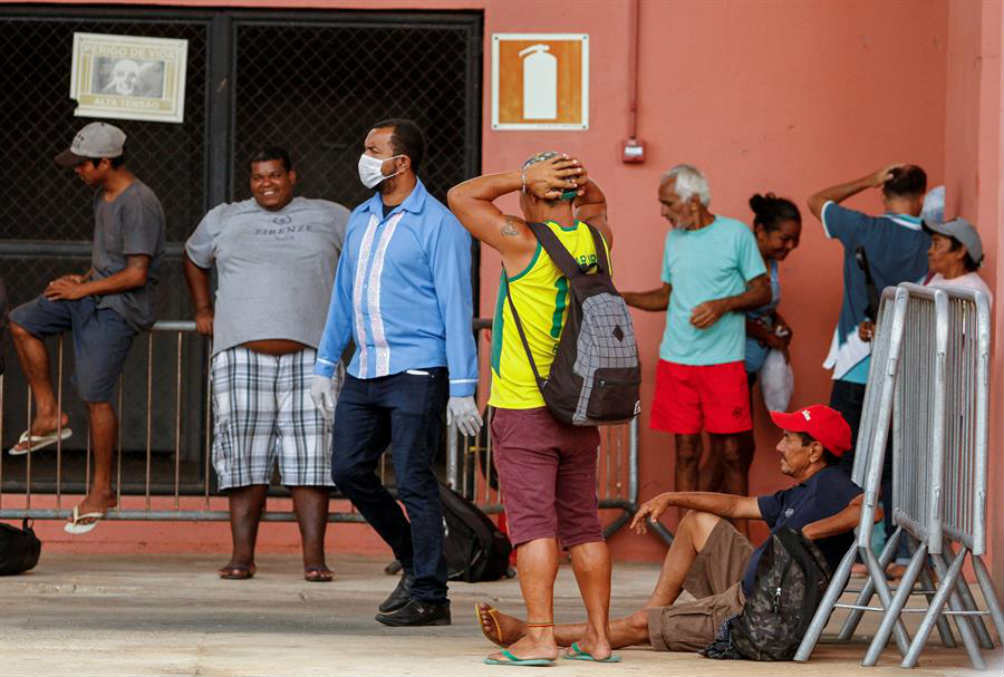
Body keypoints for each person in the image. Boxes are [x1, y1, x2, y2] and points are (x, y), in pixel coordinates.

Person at [476, 404, 864, 654]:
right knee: (697, 523)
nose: (779, 446)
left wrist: (810, 534)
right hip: (759, 583)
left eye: (788, 439)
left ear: (815, 451)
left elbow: (868, 512)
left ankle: (533, 631)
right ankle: (654, 612)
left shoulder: (831, 483)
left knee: (639, 628)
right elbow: (733, 505)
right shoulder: (802, 489)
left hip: (757, 615)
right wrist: (674, 497)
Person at [448, 152, 617, 665]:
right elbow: (599, 201)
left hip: (526, 407)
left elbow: (460, 196)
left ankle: (541, 636)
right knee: (584, 525)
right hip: (581, 407)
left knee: (534, 527)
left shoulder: (522, 242)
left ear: (534, 194)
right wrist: (572, 183)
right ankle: (598, 636)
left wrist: (523, 177)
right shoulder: (597, 242)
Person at [313, 119, 480, 626]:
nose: (363, 158)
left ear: (400, 162)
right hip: (365, 369)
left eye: (372, 150)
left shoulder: (439, 224)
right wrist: (325, 363)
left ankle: (432, 596)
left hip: (418, 369)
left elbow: (457, 304)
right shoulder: (361, 217)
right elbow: (344, 296)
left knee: (412, 479)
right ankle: (416, 561)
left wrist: (464, 387)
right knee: (347, 469)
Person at [183, 147, 349, 582]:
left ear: (292, 176)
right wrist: (203, 308)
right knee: (242, 457)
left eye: (274, 175)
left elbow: (365, 261)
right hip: (240, 354)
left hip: (315, 356)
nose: (266, 184)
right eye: (258, 177)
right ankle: (242, 557)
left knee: (314, 459)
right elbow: (194, 258)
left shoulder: (331, 216)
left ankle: (315, 559)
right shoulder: (224, 218)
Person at [7, 122, 165, 534]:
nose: (77, 170)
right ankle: (48, 415)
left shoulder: (140, 202)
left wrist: (87, 290)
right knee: (22, 320)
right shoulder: (102, 196)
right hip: (95, 294)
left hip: (120, 306)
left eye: (82, 164)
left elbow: (135, 274)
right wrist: (81, 280)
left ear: (105, 161)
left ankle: (101, 490)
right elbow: (106, 262)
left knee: (95, 394)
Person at [622, 165, 770, 498]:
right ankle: (686, 542)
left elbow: (762, 291)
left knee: (732, 453)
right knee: (686, 453)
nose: (663, 212)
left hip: (723, 361)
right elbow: (667, 295)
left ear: (693, 200)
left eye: (668, 203)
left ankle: (739, 544)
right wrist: (624, 297)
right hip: (676, 360)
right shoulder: (673, 239)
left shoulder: (736, 235)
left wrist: (721, 305)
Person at [807, 163, 930, 465]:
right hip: (908, 365)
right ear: (921, 198)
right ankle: (883, 514)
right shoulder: (932, 242)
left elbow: (816, 201)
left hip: (856, 360)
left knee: (842, 459)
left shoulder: (861, 228)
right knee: (895, 463)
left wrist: (868, 178)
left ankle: (852, 514)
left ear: (883, 195)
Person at [731, 194, 801, 511]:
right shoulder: (741, 261)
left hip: (752, 365)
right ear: (760, 231)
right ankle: (712, 521)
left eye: (794, 241)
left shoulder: (769, 262)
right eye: (783, 239)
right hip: (732, 364)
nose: (788, 247)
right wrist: (766, 335)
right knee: (733, 451)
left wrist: (781, 325)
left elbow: (763, 307)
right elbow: (729, 311)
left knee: (740, 452)